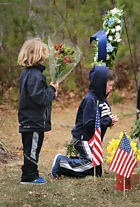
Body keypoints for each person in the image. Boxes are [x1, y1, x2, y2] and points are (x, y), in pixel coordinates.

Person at [51, 66, 119, 178]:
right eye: (110, 85)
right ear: (101, 84)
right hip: (83, 139)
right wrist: (107, 120)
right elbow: (89, 124)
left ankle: (78, 161)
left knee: (96, 172)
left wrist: (109, 121)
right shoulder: (90, 100)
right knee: (91, 165)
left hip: (92, 141)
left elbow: (102, 119)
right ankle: (61, 163)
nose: (111, 88)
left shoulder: (102, 99)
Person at [17, 38, 59, 185]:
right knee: (32, 149)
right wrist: (52, 90)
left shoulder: (27, 74)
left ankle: (31, 173)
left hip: (29, 119)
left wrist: (50, 92)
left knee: (31, 148)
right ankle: (29, 176)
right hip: (33, 120)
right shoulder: (35, 76)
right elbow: (39, 98)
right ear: (38, 55)